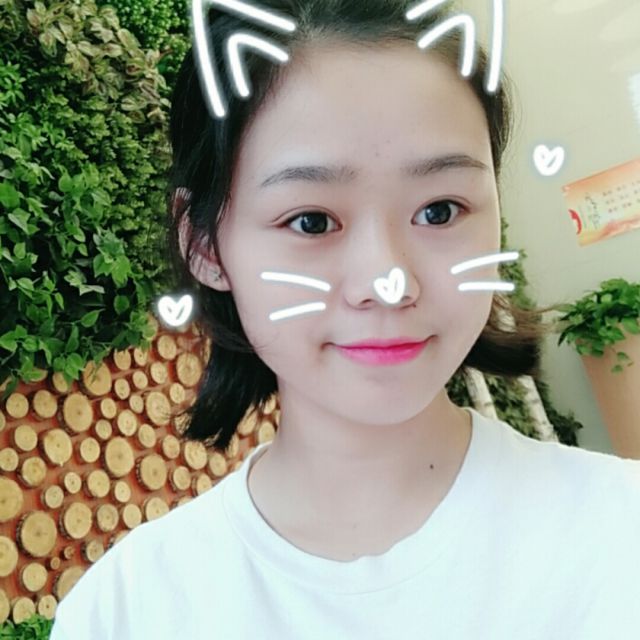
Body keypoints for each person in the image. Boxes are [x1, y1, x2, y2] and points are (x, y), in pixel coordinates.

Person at [49, 1, 640, 638]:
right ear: (205, 246)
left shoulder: (618, 535)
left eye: (440, 210)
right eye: (311, 221)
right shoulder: (127, 612)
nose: (389, 283)